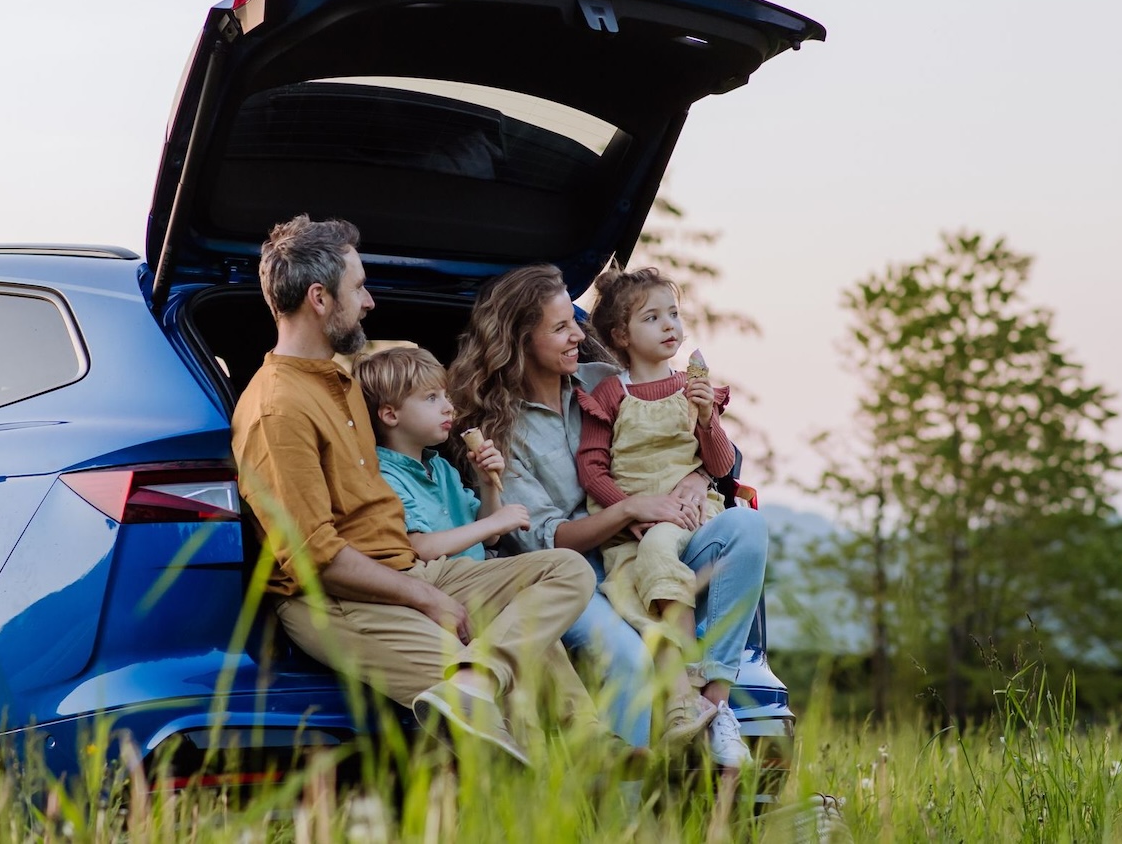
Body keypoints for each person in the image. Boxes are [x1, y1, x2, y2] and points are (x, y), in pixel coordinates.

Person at [230, 216, 600, 766]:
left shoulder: (339, 382)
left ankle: (495, 687)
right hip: (340, 598)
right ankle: (521, 740)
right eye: (358, 287)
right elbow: (315, 559)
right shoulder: (277, 409)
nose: (370, 301)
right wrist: (427, 598)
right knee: (490, 726)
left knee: (567, 570)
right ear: (319, 298)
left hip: (409, 569)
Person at [448, 264, 769, 768]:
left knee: (746, 526)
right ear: (520, 340)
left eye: (573, 321)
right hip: (573, 574)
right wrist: (630, 508)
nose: (579, 333)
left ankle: (712, 706)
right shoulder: (500, 431)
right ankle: (627, 807)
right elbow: (543, 541)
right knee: (627, 658)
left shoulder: (605, 381)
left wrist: (697, 480)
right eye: (560, 328)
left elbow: (701, 453)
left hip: (655, 547)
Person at [574, 266, 733, 742]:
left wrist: (706, 417)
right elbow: (592, 468)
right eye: (652, 318)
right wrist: (632, 508)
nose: (670, 326)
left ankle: (685, 685)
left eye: (674, 314)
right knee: (633, 601)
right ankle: (676, 709)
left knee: (660, 552)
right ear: (621, 335)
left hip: (685, 513)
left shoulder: (693, 388)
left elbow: (720, 465)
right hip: (633, 521)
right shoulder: (611, 393)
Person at [356, 345, 530, 563]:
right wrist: (495, 522)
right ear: (391, 415)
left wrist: (487, 484)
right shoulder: (385, 476)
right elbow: (420, 548)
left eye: (446, 396)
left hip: (478, 573)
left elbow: (490, 539)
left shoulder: (442, 468)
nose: (448, 407)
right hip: (441, 582)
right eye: (431, 398)